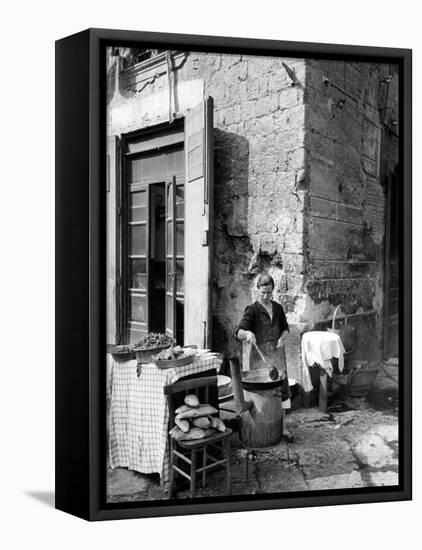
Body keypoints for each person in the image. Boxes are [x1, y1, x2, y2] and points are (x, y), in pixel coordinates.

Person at [236, 273, 293, 442]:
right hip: (259, 359)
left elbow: (285, 328)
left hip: (276, 355)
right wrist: (247, 334)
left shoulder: (278, 308)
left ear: (273, 290)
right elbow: (238, 332)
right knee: (262, 395)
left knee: (282, 391)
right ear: (257, 291)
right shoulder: (252, 309)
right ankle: (259, 430)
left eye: (269, 292)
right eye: (263, 293)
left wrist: (283, 338)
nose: (266, 296)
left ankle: (283, 428)